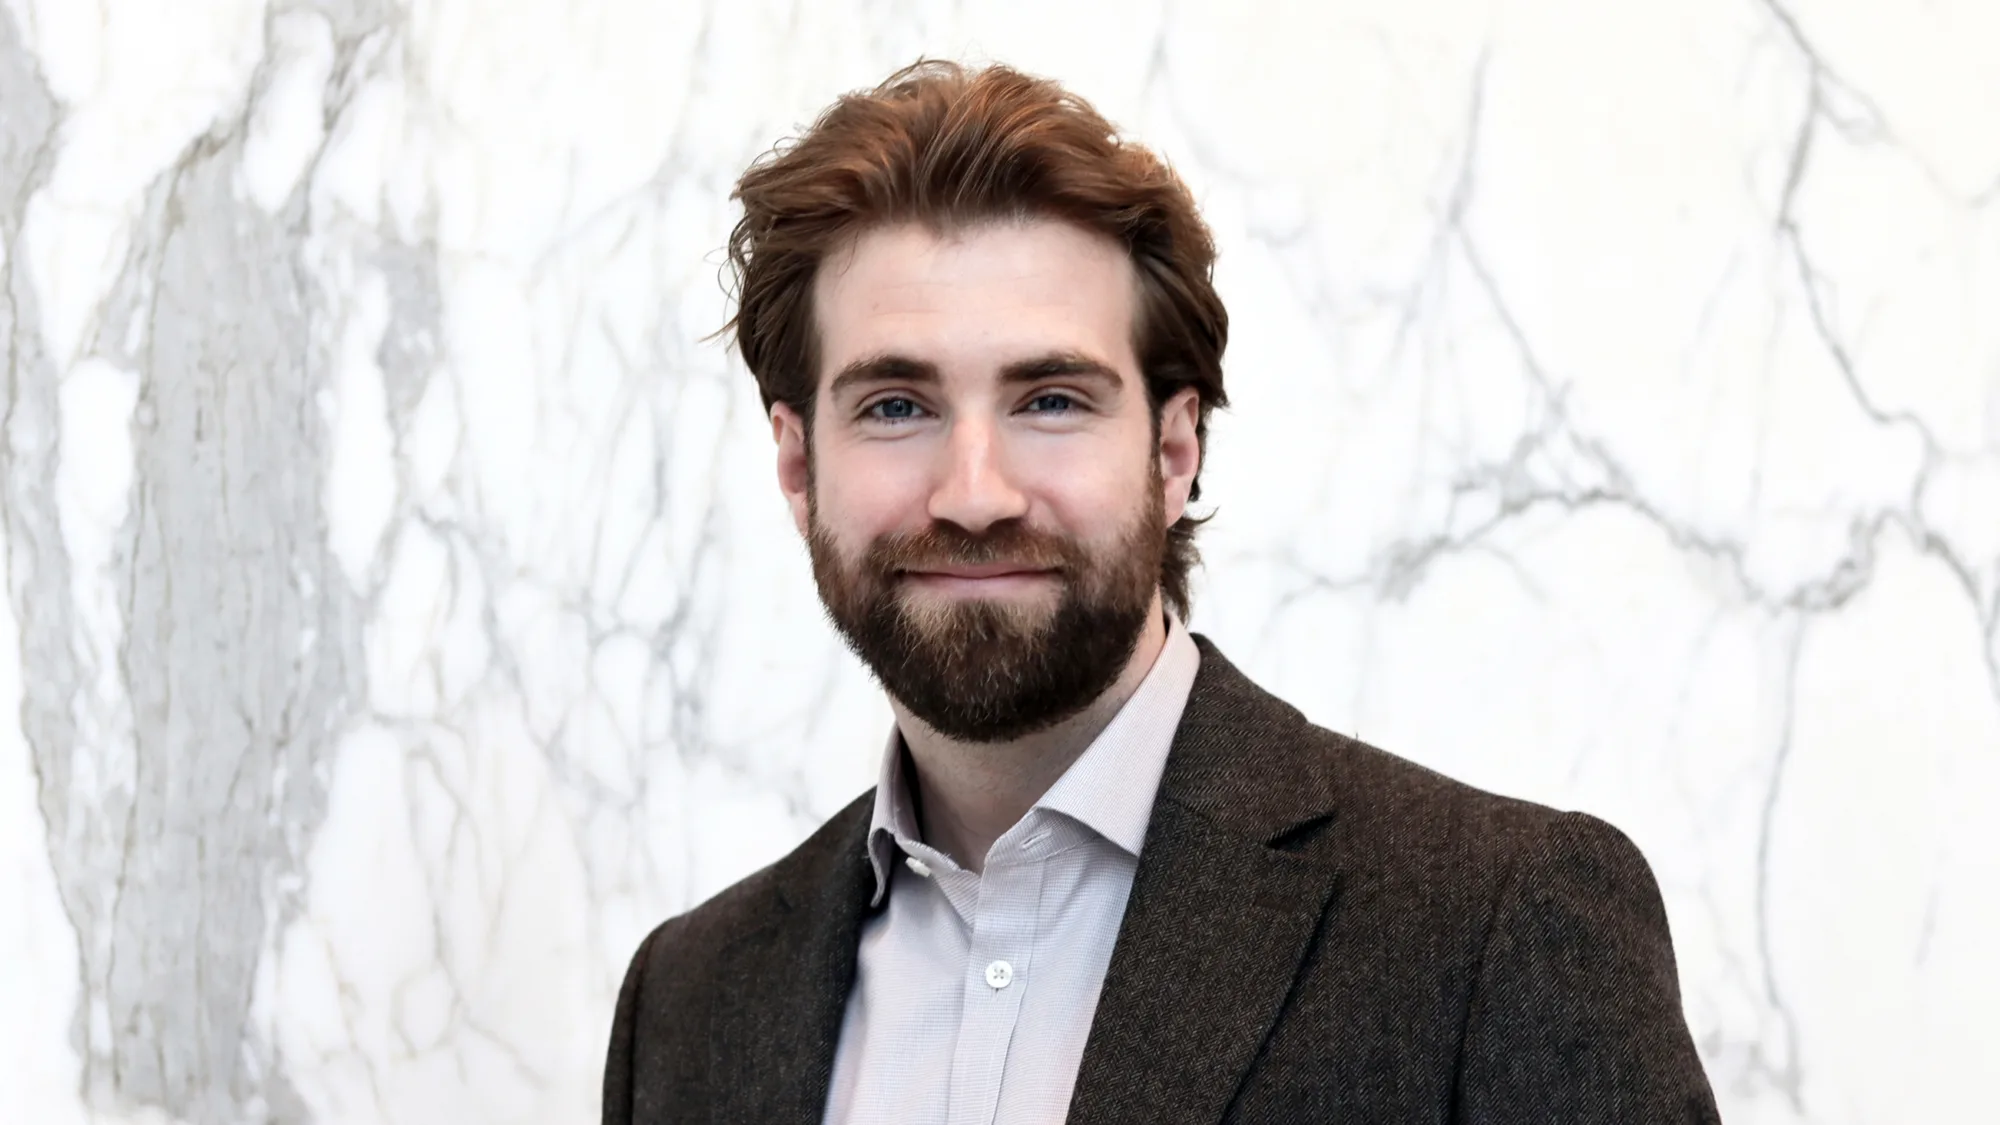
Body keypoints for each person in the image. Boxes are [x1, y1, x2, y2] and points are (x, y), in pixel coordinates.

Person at [601, 60, 1719, 1125]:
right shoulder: (691, 1004)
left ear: (1175, 449)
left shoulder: (1496, 927)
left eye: (1050, 400)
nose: (975, 494)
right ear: (798, 463)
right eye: (895, 405)